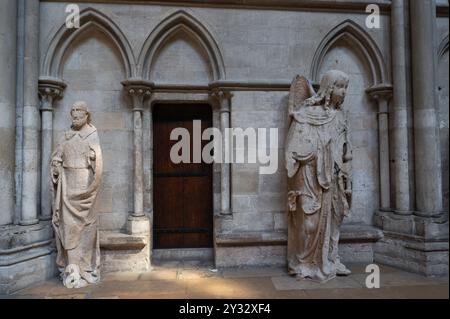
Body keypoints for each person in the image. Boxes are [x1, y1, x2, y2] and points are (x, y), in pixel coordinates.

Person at [285, 70, 352, 282]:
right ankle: (303, 261)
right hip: (308, 176)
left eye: (346, 87)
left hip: (333, 178)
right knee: (309, 224)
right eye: (340, 86)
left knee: (334, 222)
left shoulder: (341, 117)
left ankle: (330, 258)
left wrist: (346, 169)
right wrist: (315, 150)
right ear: (329, 88)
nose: (344, 92)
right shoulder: (305, 114)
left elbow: (345, 151)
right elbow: (293, 147)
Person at [51, 101, 103, 288]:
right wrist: (56, 167)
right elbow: (56, 157)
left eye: (78, 111)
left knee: (88, 226)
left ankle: (86, 268)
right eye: (72, 111)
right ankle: (72, 268)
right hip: (67, 187)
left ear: (87, 114)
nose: (74, 114)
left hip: (86, 186)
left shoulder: (92, 135)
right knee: (69, 227)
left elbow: (98, 164)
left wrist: (92, 183)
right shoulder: (65, 136)